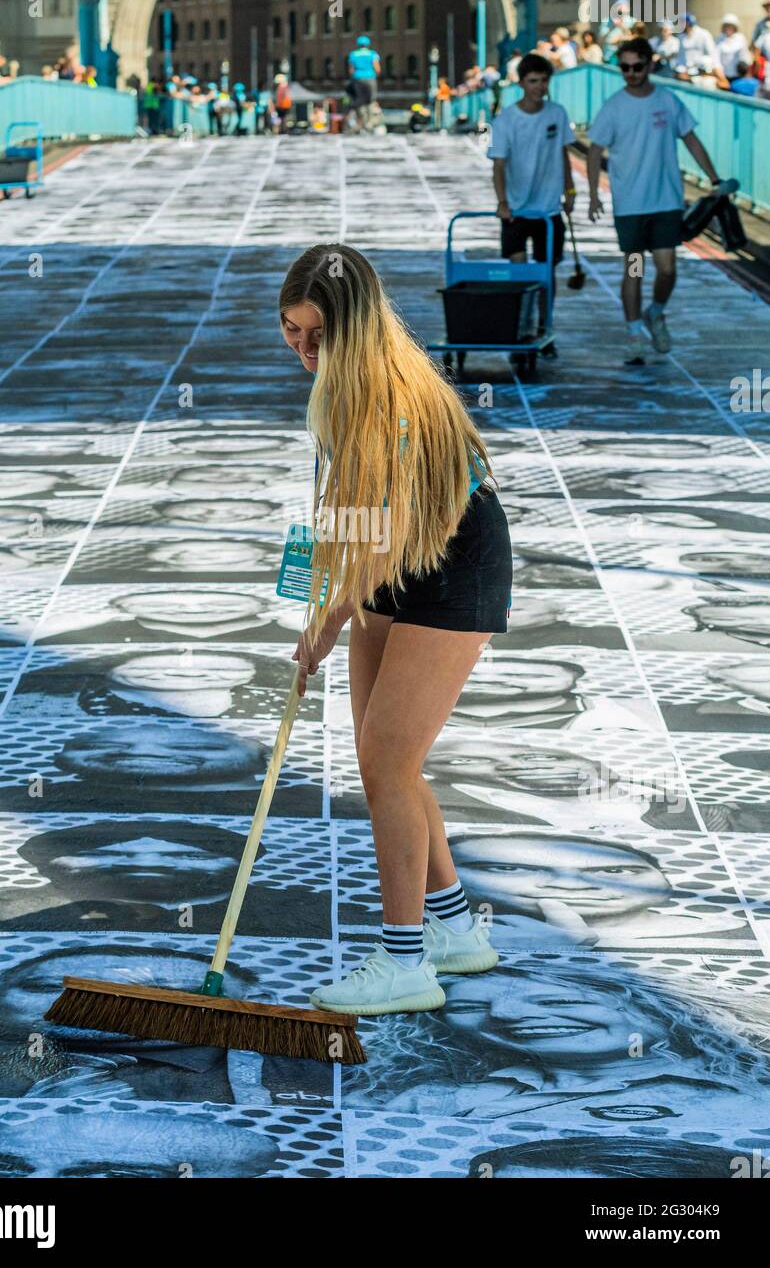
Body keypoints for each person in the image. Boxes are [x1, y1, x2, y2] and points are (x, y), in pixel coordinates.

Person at [279, 244, 513, 1016]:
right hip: (400, 554)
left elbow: (382, 539)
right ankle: (453, 930)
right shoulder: (340, 385)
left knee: (386, 761)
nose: (305, 351)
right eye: (291, 331)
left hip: (453, 559)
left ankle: (404, 963)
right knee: (387, 761)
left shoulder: (386, 392)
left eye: (319, 336)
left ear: (355, 328)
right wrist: (317, 594)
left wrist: (328, 619)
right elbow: (353, 517)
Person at [588, 37, 723, 365]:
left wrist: (714, 178)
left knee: (667, 269)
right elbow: (594, 150)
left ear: (650, 65)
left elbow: (691, 139)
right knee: (634, 269)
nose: (631, 73)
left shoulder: (667, 101)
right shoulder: (614, 106)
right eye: (624, 68)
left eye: (637, 66)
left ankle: (656, 312)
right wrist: (592, 195)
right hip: (631, 207)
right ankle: (634, 333)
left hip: (665, 203)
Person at [488, 52, 576, 337]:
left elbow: (563, 154)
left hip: (549, 210)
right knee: (520, 274)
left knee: (546, 275)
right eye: (533, 81)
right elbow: (499, 165)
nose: (539, 87)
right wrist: (502, 202)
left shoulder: (557, 113)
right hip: (515, 210)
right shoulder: (506, 121)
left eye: (544, 81)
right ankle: (522, 326)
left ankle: (544, 326)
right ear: (521, 83)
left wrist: (570, 189)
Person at [347, 34, 381, 129]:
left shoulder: (353, 54)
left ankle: (362, 120)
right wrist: (374, 76)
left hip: (358, 79)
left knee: (359, 100)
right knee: (371, 99)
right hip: (370, 78)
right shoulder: (372, 54)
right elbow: (377, 68)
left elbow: (351, 70)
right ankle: (369, 122)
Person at [716, 14, 749, 81]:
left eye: (731, 26)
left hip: (739, 76)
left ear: (735, 27)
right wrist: (722, 78)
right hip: (724, 76)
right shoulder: (719, 40)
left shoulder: (741, 38)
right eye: (726, 26)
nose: (728, 28)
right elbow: (716, 60)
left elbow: (745, 56)